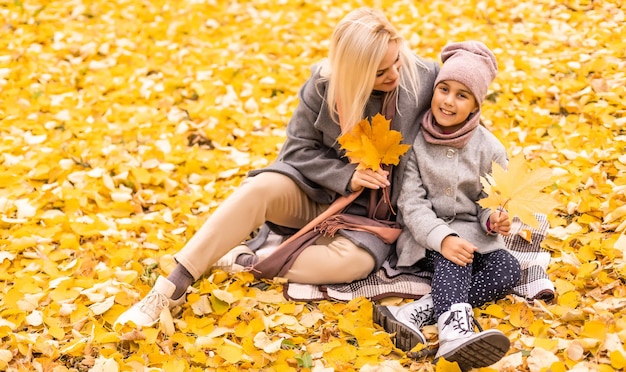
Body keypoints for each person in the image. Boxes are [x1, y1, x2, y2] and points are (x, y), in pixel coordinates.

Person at [115, 7, 440, 328]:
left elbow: (464, 94)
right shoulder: (322, 86)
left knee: (354, 264)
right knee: (259, 189)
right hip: (316, 193)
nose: (394, 75)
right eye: (380, 72)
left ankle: (244, 262)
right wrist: (347, 176)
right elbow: (297, 150)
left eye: (396, 61)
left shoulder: (421, 78)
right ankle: (172, 285)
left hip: (369, 219)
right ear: (353, 70)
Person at [373, 41, 522, 370]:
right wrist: (444, 238)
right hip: (426, 237)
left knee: (508, 269)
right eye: (444, 89)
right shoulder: (416, 143)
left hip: (474, 234)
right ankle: (454, 332)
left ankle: (419, 310)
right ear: (434, 91)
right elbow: (411, 204)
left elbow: (489, 201)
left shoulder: (490, 148)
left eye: (462, 95)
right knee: (457, 256)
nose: (449, 101)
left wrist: (493, 219)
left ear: (475, 105)